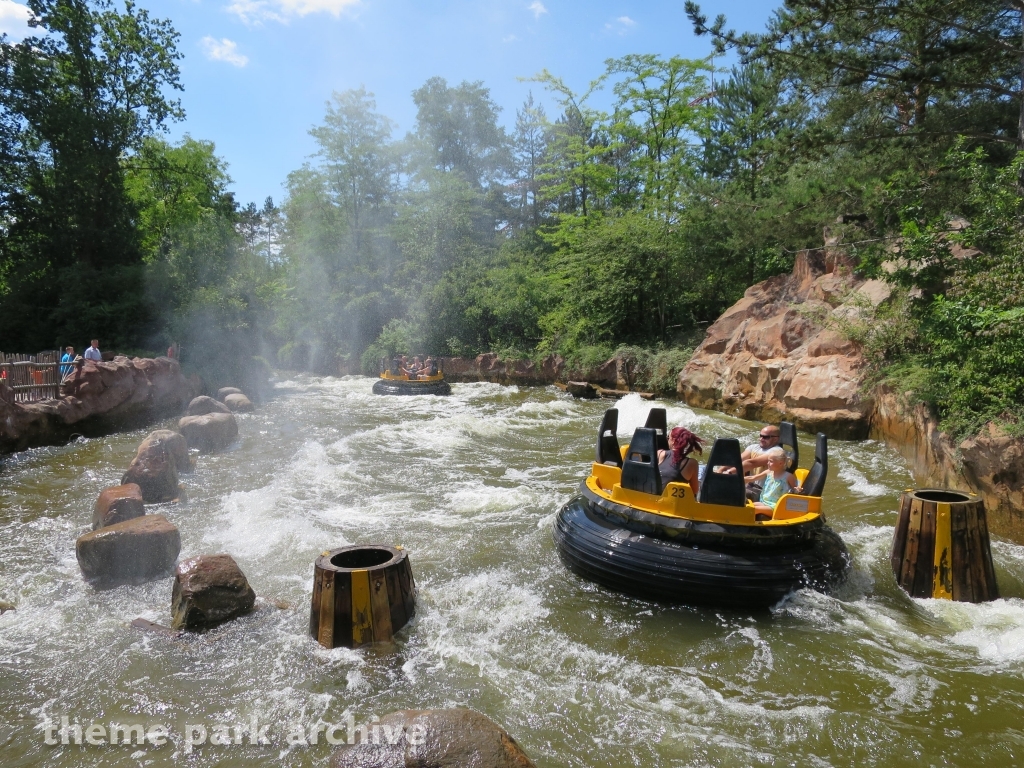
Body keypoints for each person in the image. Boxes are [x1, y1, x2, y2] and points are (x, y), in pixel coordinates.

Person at [749, 447, 803, 521]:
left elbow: (795, 491)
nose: (768, 463)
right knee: (748, 506)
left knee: (753, 509)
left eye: (770, 461)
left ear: (780, 463)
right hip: (764, 502)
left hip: (776, 507)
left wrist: (797, 490)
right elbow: (753, 478)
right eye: (768, 461)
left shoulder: (788, 476)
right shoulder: (769, 472)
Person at [658, 426, 705, 496]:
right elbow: (695, 490)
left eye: (668, 438)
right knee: (703, 469)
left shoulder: (660, 453)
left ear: (673, 441)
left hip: (657, 498)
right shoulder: (692, 463)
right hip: (677, 502)